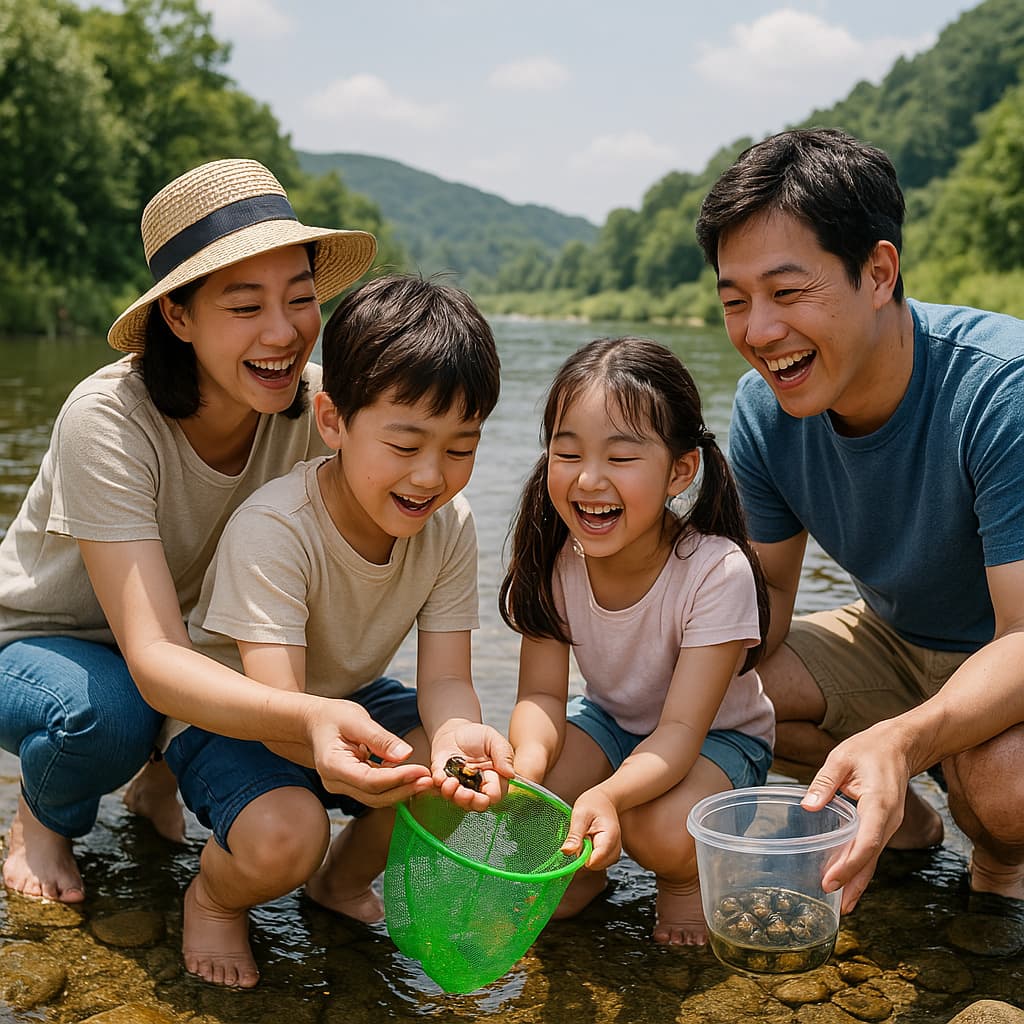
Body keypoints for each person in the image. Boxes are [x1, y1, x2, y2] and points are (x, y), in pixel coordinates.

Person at [0, 157, 435, 908]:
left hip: (187, 640)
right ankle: (42, 818)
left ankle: (159, 781)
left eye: (301, 300)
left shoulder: (321, 409)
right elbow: (154, 653)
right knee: (108, 716)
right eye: (244, 307)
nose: (283, 333)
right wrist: (310, 718)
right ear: (178, 316)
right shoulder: (108, 419)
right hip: (50, 641)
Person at [695, 127, 1024, 929]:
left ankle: (997, 865)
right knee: (716, 693)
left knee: (1004, 784)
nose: (759, 332)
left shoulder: (1000, 392)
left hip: (1002, 652)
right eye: (735, 300)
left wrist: (907, 740)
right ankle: (908, 823)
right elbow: (767, 591)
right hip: (893, 636)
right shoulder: (762, 411)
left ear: (879, 272)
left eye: (787, 291)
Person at [160, 273, 514, 987]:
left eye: (460, 447)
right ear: (333, 421)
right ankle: (214, 899)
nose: (430, 476)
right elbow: (281, 712)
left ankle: (339, 882)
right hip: (242, 716)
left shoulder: (449, 525)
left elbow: (446, 678)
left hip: (347, 698)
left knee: (445, 782)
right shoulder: (275, 528)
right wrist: (356, 749)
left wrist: (453, 741)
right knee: (287, 836)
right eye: (405, 442)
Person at [500, 336, 775, 945]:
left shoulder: (715, 570)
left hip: (716, 741)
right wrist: (527, 771)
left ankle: (685, 883)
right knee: (530, 812)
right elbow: (542, 697)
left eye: (621, 459)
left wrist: (605, 793)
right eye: (566, 453)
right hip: (612, 721)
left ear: (681, 470)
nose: (589, 480)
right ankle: (585, 877)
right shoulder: (555, 558)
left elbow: (679, 733)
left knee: (660, 829)